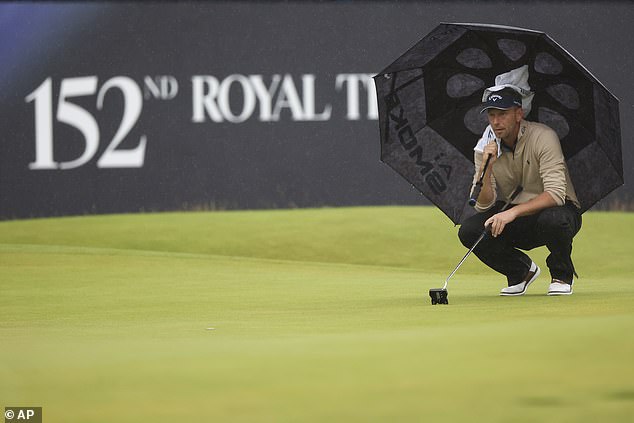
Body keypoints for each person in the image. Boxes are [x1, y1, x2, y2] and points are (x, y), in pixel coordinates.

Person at [458, 87, 582, 296]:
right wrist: (487, 168)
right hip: (515, 217)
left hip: (556, 212)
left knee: (554, 220)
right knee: (470, 230)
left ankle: (561, 274)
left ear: (518, 114)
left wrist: (511, 213)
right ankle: (520, 272)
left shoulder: (544, 137)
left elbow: (556, 194)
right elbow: (483, 204)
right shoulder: (485, 148)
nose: (496, 122)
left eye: (502, 114)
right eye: (492, 115)